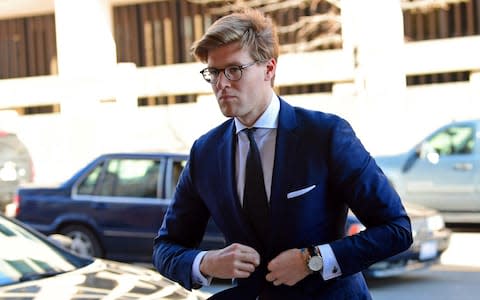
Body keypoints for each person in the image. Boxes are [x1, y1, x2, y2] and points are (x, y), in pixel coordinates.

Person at [153, 8, 412, 300]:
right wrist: (207, 262)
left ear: (269, 69)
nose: (221, 84)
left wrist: (312, 260)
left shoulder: (325, 135)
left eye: (234, 70)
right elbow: (166, 247)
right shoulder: (206, 152)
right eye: (213, 72)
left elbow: (396, 230)